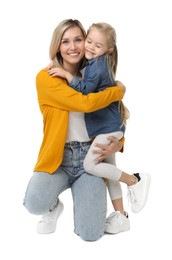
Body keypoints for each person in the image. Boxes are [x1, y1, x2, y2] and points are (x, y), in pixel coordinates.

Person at [23, 19, 126, 241]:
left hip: (91, 158)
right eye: (65, 41)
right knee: (34, 203)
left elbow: (113, 115)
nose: (73, 47)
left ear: (86, 40)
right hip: (59, 160)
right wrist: (118, 90)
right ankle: (53, 208)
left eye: (78, 40)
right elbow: (85, 103)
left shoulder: (94, 74)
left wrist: (120, 143)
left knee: (91, 234)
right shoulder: (48, 77)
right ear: (57, 46)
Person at [48, 22, 151, 233]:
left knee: (90, 166)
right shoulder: (94, 63)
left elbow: (86, 94)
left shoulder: (96, 65)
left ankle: (134, 180)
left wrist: (66, 75)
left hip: (107, 128)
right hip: (106, 127)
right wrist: (118, 89)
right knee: (109, 171)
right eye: (89, 41)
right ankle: (122, 217)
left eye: (98, 45)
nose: (90, 47)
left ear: (109, 50)